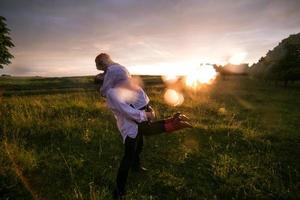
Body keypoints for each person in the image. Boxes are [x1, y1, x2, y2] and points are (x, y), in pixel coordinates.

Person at [95, 53, 192, 199]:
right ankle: (119, 190)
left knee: (140, 144)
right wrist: (146, 115)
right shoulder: (112, 91)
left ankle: (136, 166)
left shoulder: (117, 78)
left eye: (103, 71)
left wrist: (147, 110)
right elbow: (127, 112)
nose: (103, 74)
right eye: (103, 74)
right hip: (130, 124)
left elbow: (132, 98)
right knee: (129, 152)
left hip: (139, 113)